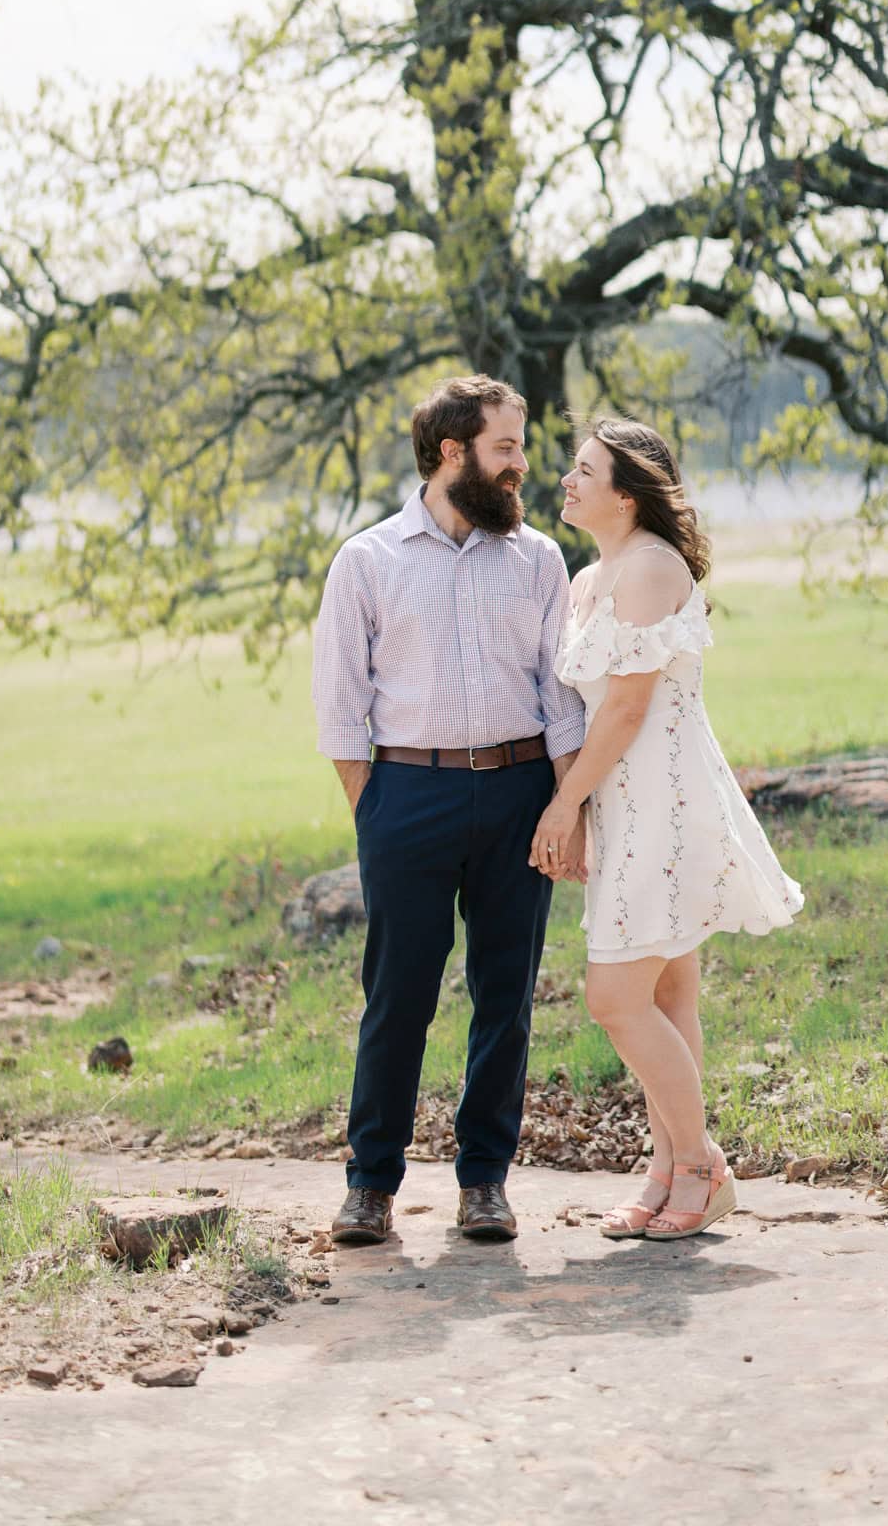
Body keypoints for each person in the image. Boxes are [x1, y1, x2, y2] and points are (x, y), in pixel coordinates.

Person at [311, 375, 587, 1245]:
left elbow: (562, 698)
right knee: (398, 995)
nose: (521, 466)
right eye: (506, 448)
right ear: (450, 453)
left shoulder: (541, 560)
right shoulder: (367, 561)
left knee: (505, 995)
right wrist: (377, 813)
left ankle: (484, 1183)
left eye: (521, 447)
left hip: (518, 795)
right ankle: (370, 1184)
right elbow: (338, 707)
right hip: (407, 796)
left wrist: (565, 806)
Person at [530, 417, 805, 1240]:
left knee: (615, 997)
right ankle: (665, 1167)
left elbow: (625, 708)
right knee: (665, 990)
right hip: (623, 803)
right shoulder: (588, 579)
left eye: (585, 471)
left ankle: (701, 1164)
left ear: (628, 490)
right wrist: (582, 805)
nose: (569, 482)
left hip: (665, 801)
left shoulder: (651, 567)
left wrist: (562, 805)